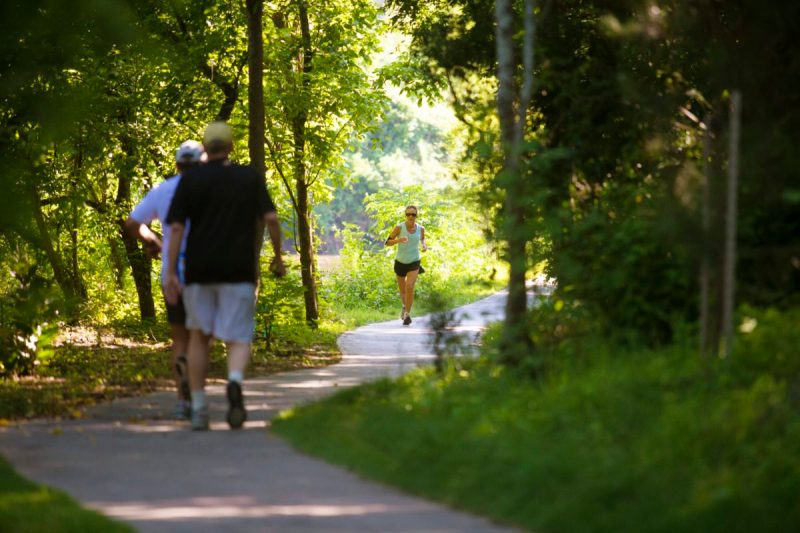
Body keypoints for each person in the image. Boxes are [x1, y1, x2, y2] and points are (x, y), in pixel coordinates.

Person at [164, 121, 285, 431]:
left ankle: (201, 408)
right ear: (231, 147)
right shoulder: (248, 178)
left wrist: (169, 272)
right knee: (238, 336)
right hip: (238, 271)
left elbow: (176, 228)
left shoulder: (189, 182)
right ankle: (233, 381)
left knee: (199, 337)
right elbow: (270, 218)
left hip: (198, 271)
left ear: (206, 148)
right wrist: (277, 256)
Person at [123, 140, 204, 420]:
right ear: (202, 163)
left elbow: (133, 224)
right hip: (204, 274)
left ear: (178, 164)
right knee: (199, 339)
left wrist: (154, 240)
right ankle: (197, 398)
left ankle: (182, 400)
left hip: (172, 274)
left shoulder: (164, 190)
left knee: (180, 338)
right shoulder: (210, 190)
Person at [385, 205, 427, 326]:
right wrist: (398, 240)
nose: (410, 216)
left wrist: (424, 245)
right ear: (405, 215)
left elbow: (423, 239)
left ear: (416, 216)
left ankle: (407, 315)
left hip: (414, 261)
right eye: (408, 214)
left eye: (413, 214)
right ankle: (404, 307)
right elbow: (387, 242)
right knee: (403, 290)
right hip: (400, 262)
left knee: (410, 287)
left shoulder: (421, 229)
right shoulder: (399, 227)